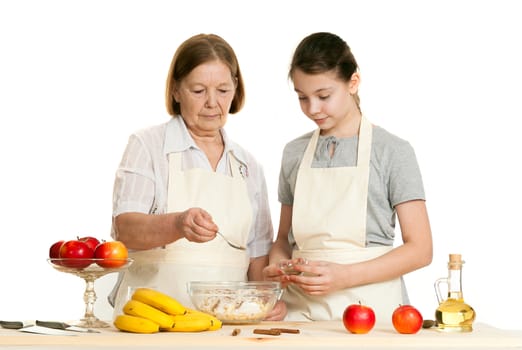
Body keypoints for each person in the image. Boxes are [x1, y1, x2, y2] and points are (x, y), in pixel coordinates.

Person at [263, 32, 433, 324]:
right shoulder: (294, 153)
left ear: (353, 83)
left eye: (324, 96)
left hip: (371, 311)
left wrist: (345, 276)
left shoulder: (392, 151)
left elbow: (421, 249)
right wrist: (279, 266)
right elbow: (282, 239)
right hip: (299, 313)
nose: (313, 108)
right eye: (303, 97)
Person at [108, 33, 281, 319]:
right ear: (176, 90)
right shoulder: (147, 145)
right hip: (152, 318)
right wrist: (178, 224)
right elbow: (125, 230)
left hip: (229, 323)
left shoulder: (248, 165)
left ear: (236, 89)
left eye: (223, 90)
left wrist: (266, 300)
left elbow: (258, 254)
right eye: (199, 90)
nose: (212, 102)